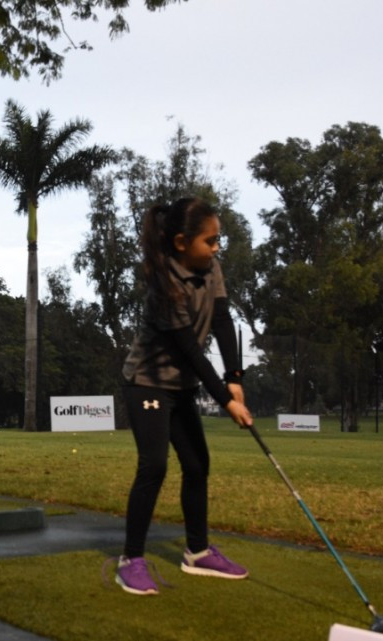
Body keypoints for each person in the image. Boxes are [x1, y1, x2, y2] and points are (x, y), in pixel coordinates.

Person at [113, 197, 255, 596]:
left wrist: (235, 378)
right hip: (148, 382)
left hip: (182, 385)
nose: (216, 248)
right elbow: (190, 350)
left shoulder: (211, 268)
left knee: (197, 463)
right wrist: (227, 402)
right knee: (154, 466)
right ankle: (131, 558)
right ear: (180, 242)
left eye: (217, 240)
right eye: (209, 241)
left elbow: (224, 320)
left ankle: (197, 552)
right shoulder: (165, 284)